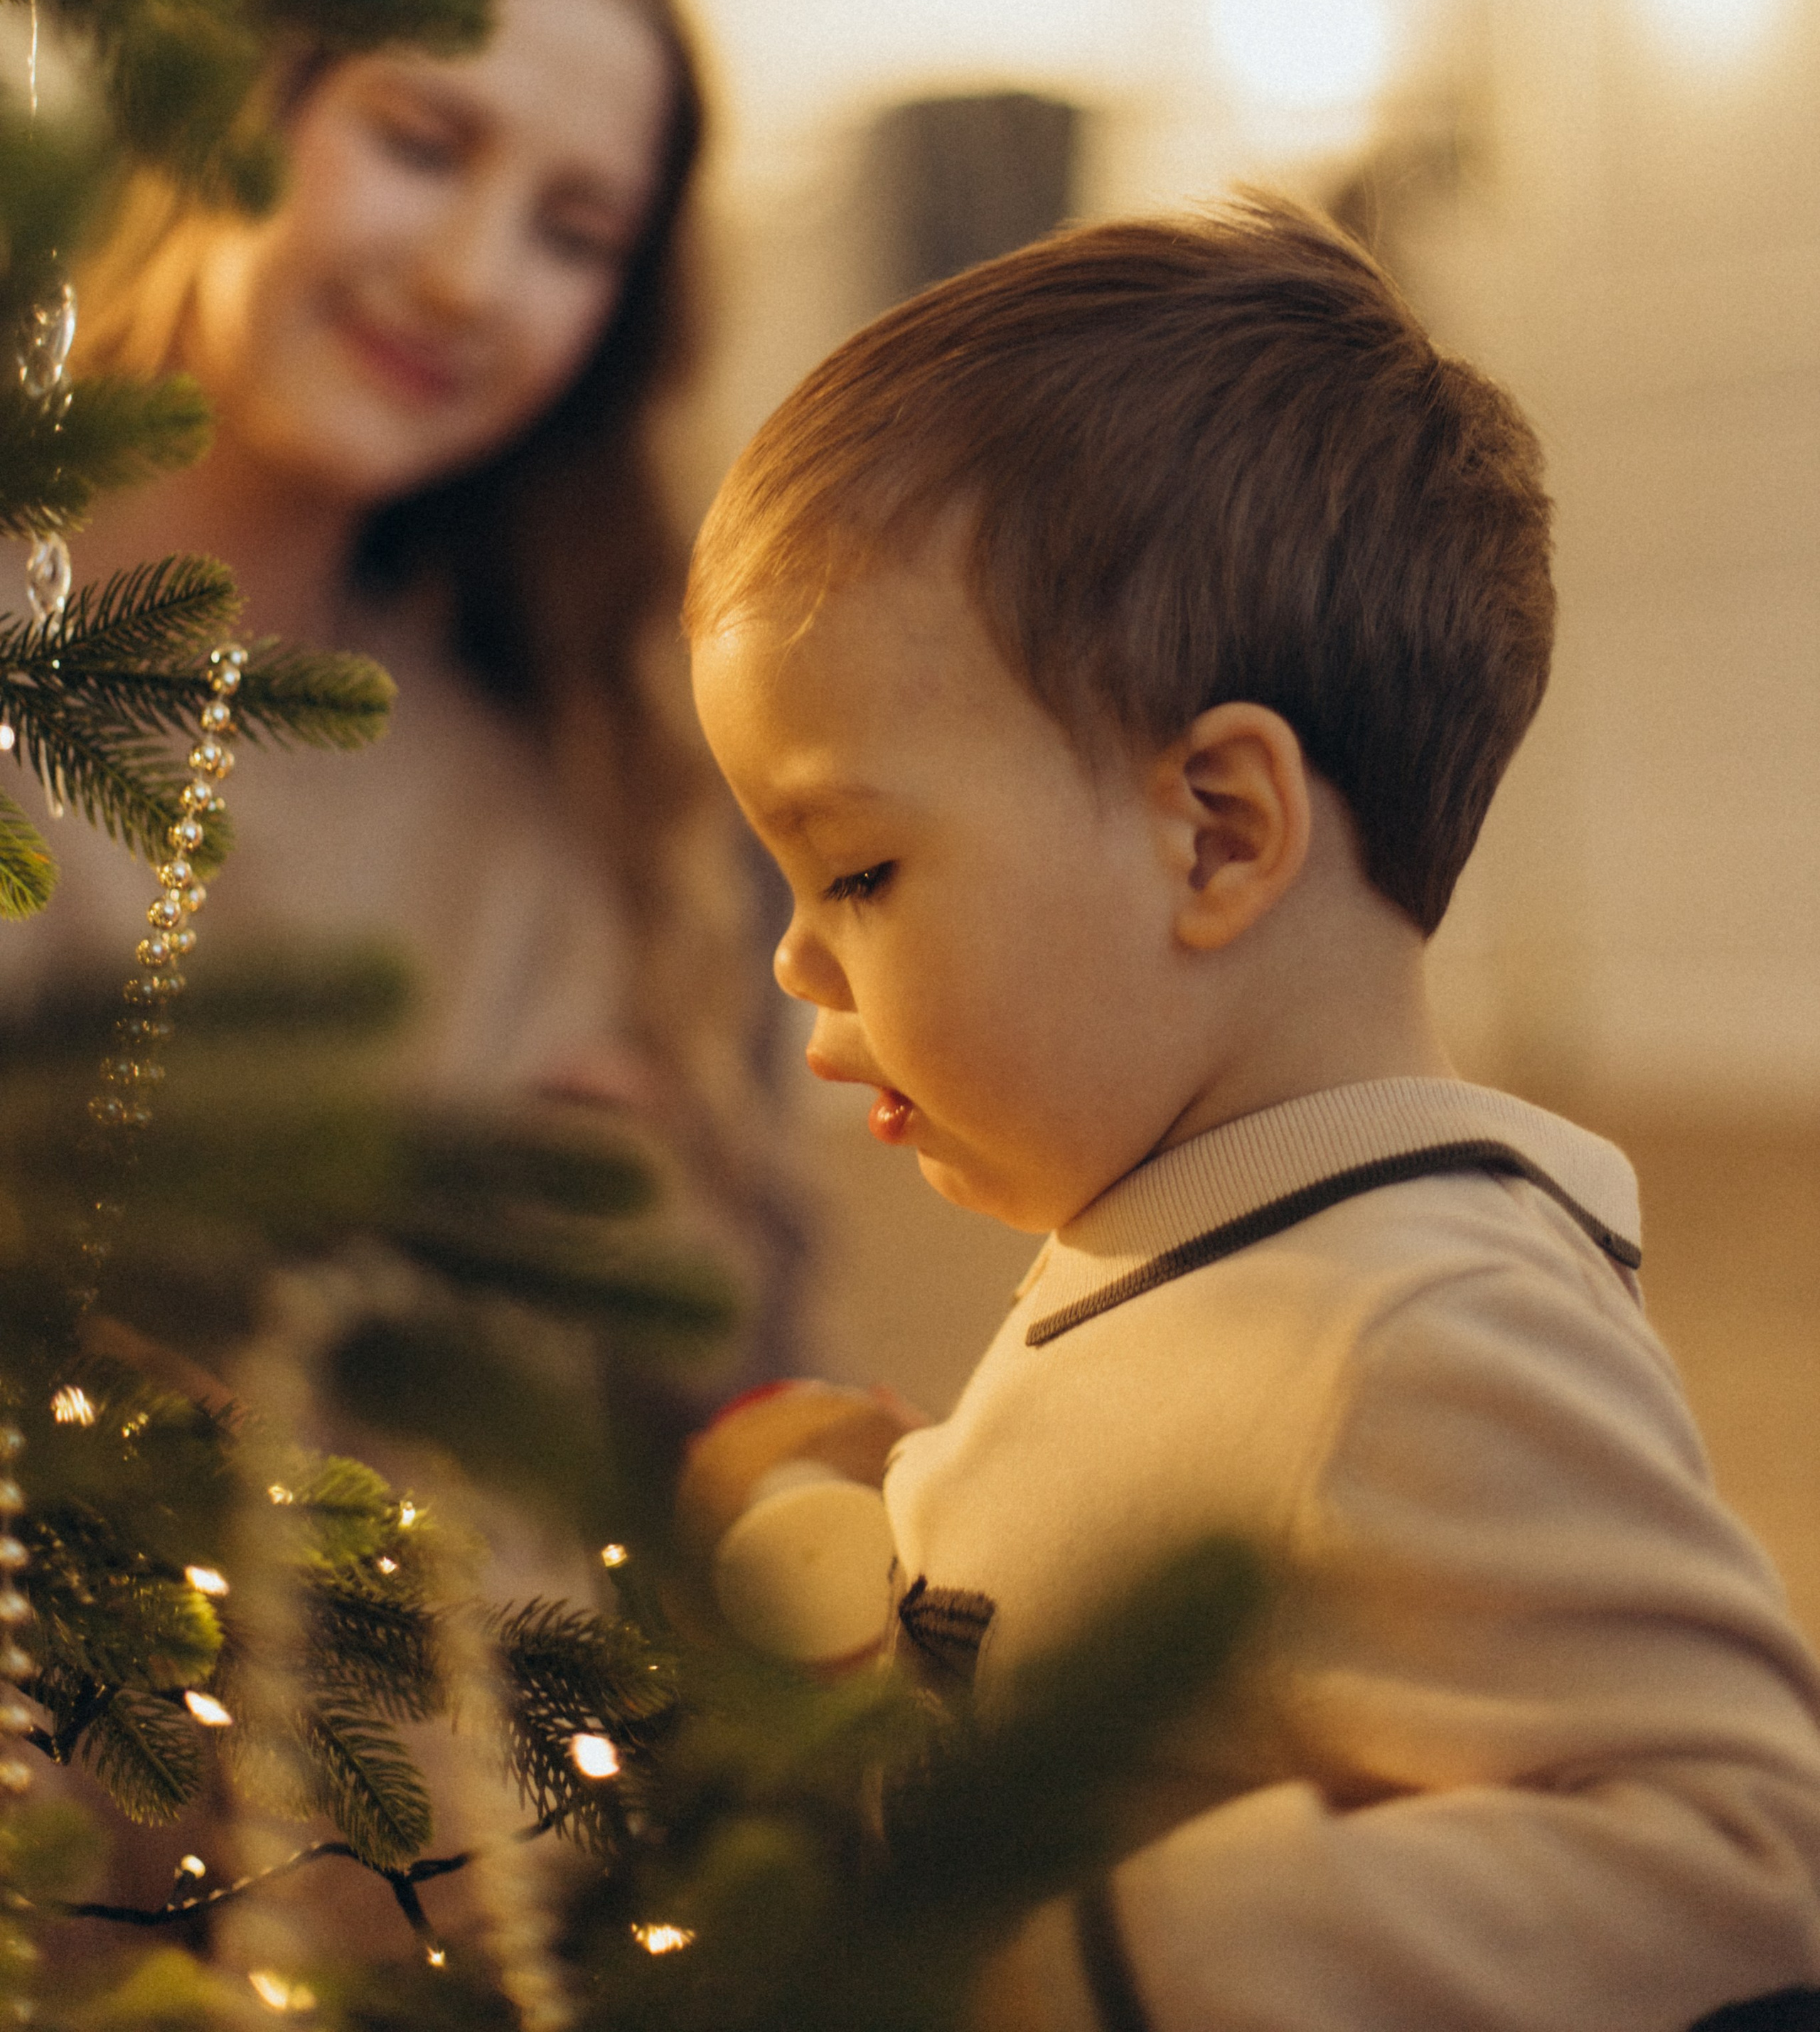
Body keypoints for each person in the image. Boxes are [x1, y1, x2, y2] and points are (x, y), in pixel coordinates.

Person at [682, 199, 1820, 2031]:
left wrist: (1114, 1964)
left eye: (860, 872)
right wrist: (888, 1530)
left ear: (1214, 833)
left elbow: (1744, 1843)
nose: (796, 962)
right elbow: (1167, 1612)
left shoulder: (1421, 1331)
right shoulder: (1196, 1237)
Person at [6, 0, 801, 1378]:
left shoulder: (570, 818)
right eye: (422, 146)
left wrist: (656, 1256)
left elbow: (749, 1402)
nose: (466, 278)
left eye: (573, 234)